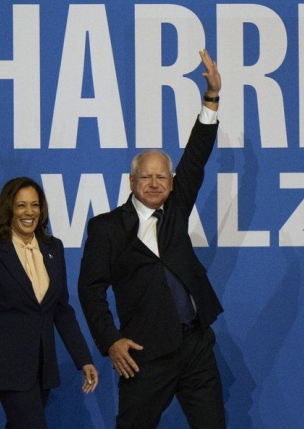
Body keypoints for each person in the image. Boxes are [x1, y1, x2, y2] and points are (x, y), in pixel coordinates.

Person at [78, 49, 225, 429]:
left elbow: (195, 157)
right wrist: (110, 340)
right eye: (147, 177)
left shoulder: (175, 210)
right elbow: (90, 290)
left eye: (162, 177)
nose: (155, 183)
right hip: (143, 354)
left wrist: (210, 98)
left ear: (171, 182)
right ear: (132, 182)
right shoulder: (106, 228)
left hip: (194, 347)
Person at [0, 177, 99, 429]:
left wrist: (83, 359)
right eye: (21, 206)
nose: (29, 212)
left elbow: (62, 310)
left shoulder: (53, 248)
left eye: (35, 205)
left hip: (43, 367)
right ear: (8, 209)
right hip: (7, 367)